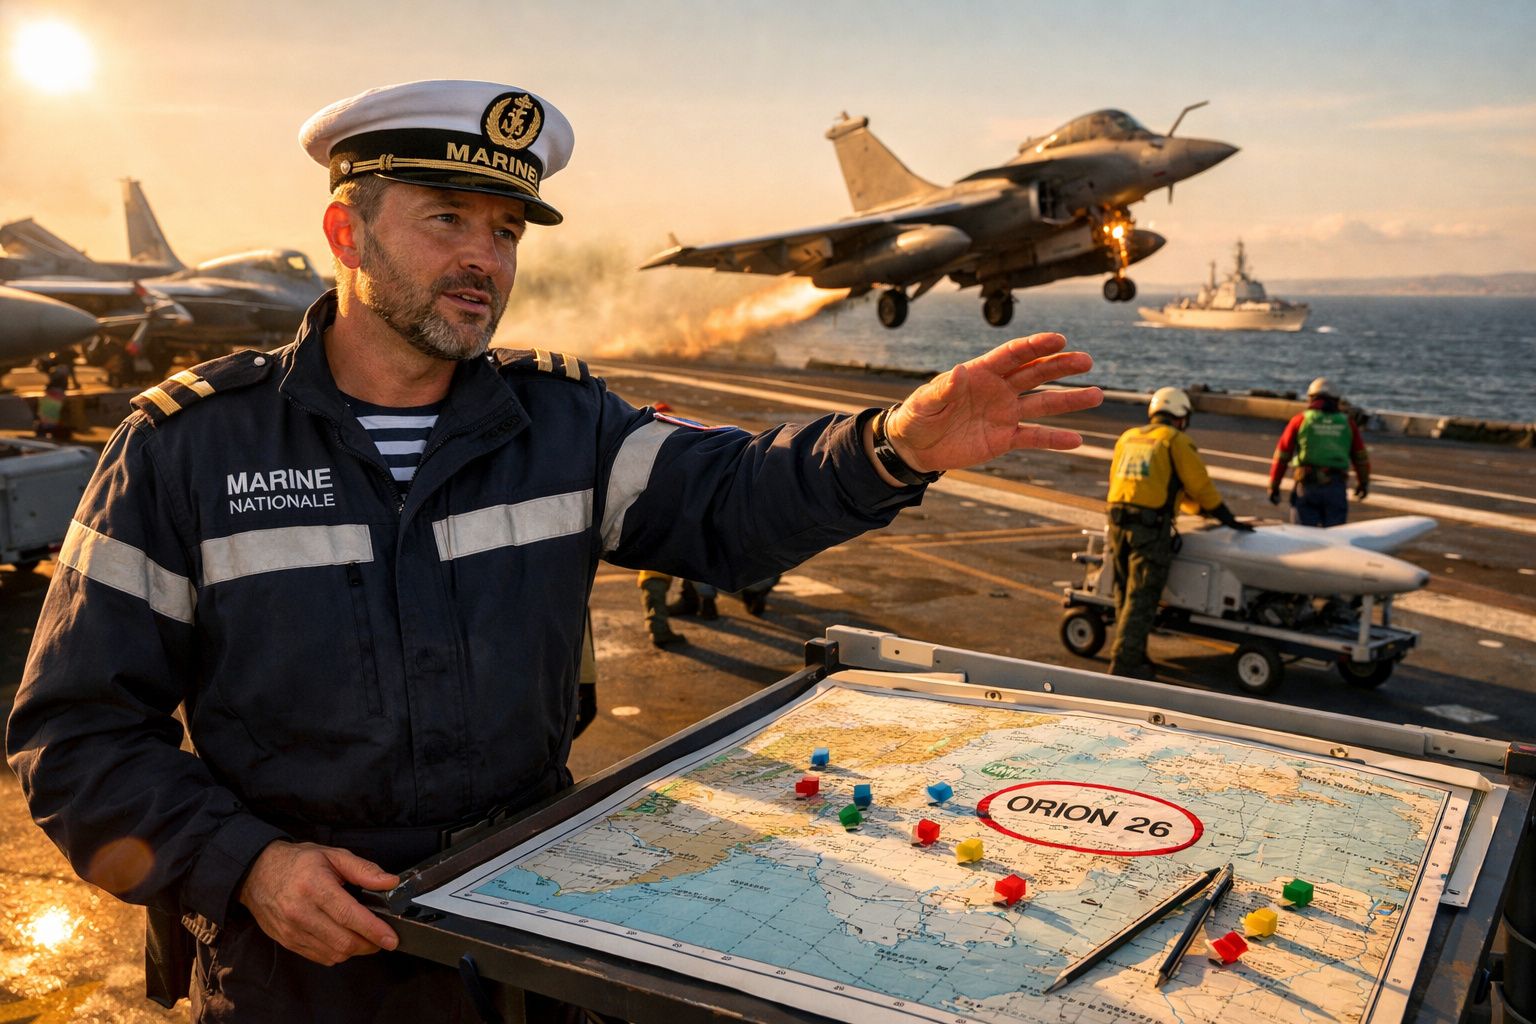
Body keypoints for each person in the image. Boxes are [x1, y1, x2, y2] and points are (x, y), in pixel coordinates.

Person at [5, 79, 1101, 1022]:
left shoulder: (562, 425)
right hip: (299, 966)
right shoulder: (189, 447)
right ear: (348, 234)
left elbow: (731, 501)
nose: (486, 258)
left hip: (525, 936)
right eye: (449, 220)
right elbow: (76, 732)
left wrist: (892, 446)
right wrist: (244, 866)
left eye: (507, 232)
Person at [1105, 386, 1253, 680]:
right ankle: (1124, 664)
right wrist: (1225, 516)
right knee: (1142, 596)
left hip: (1117, 522)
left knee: (1124, 592)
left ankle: (1132, 653)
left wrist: (1195, 509)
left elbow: (1163, 485)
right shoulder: (1175, 440)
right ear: (1180, 416)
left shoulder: (1129, 437)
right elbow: (1198, 485)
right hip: (1148, 530)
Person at [1267, 376, 1370, 527]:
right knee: (1335, 539)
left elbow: (1282, 455)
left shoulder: (1300, 420)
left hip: (1307, 485)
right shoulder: (1347, 423)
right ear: (1336, 400)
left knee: (1303, 538)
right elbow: (1360, 457)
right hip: (1335, 487)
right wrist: (1363, 482)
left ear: (1311, 398)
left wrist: (1274, 485)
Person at [672, 575, 779, 618]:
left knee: (694, 552)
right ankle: (755, 595)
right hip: (757, 577)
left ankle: (705, 601)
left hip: (715, 575)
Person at [637, 569, 687, 647]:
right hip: (655, 577)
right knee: (654, 607)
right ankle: (659, 633)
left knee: (655, 607)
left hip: (652, 576)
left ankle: (660, 631)